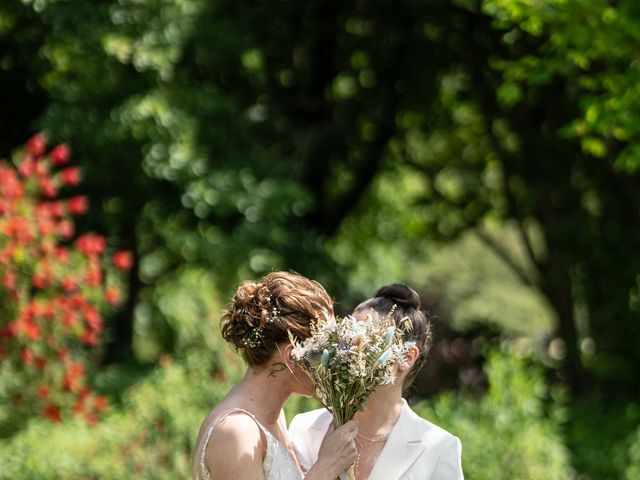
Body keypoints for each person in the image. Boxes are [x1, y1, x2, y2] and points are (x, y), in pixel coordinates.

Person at [192, 271, 358, 480]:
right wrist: (327, 466)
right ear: (292, 356)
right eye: (326, 350)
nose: (332, 361)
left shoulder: (274, 416)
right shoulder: (236, 432)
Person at [289, 284, 464, 480]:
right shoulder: (304, 428)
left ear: (406, 357)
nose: (349, 350)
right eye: (347, 336)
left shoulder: (439, 448)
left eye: (367, 338)